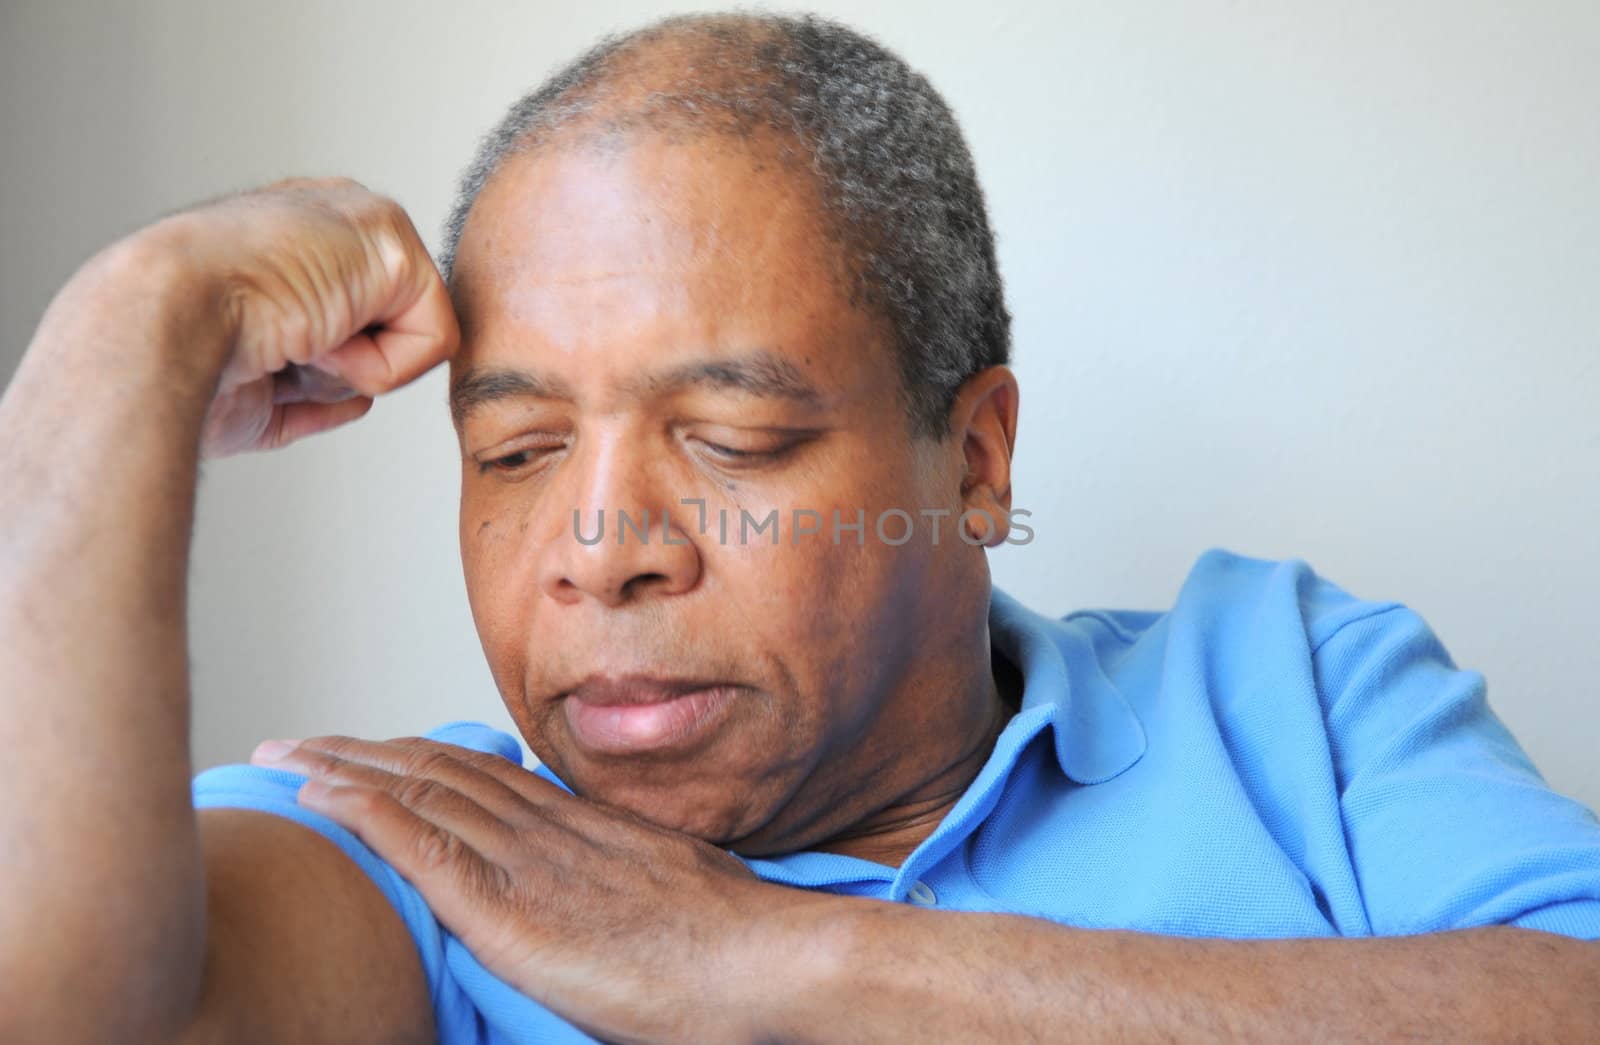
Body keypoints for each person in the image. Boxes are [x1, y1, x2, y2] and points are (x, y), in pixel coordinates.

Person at [2, 11, 1597, 1044]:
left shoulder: (1289, 687)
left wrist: (781, 961)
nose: (600, 541)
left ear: (974, 459)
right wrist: (125, 331)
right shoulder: (428, 853)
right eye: (518, 448)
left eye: (735, 435)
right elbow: (55, 1003)